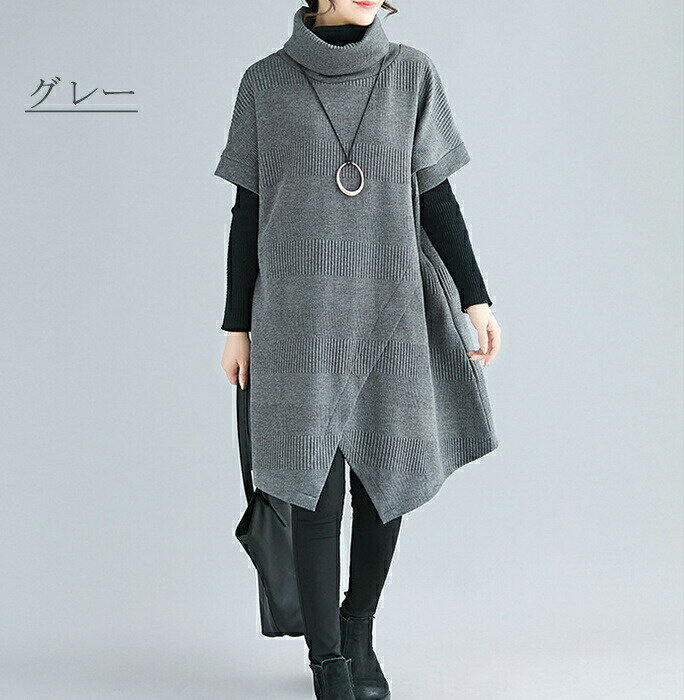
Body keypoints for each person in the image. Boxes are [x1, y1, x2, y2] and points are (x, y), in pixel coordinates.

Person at [215, 2, 501, 698]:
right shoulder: (265, 82)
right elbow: (248, 210)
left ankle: (358, 631)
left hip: (391, 310)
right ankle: (327, 661)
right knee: (313, 488)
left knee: (385, 478)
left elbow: (437, 197)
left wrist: (476, 297)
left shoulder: (411, 75)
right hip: (296, 319)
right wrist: (235, 324)